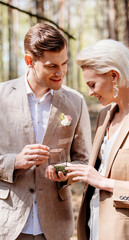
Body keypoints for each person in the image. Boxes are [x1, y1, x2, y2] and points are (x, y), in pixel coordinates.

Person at [0, 22, 92, 240]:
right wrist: (15, 162)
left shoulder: (76, 102)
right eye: (52, 66)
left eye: (64, 64)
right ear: (29, 62)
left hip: (55, 227)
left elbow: (84, 160)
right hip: (8, 225)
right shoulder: (1, 97)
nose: (61, 73)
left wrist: (66, 172)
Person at [66, 39, 129, 240]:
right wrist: (70, 174)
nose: (90, 93)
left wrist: (105, 183)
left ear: (114, 76)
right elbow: (100, 170)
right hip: (94, 228)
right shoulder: (104, 114)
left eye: (92, 85)